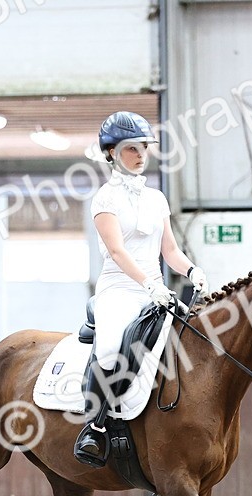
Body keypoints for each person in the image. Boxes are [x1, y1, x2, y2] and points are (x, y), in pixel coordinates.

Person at [73, 111, 208, 468]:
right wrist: (148, 283)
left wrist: (192, 270)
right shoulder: (105, 199)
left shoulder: (156, 199)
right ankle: (95, 427)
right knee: (109, 349)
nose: (140, 155)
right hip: (119, 289)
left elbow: (170, 251)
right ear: (112, 153)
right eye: (132, 149)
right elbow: (117, 251)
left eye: (144, 147)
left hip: (156, 291)